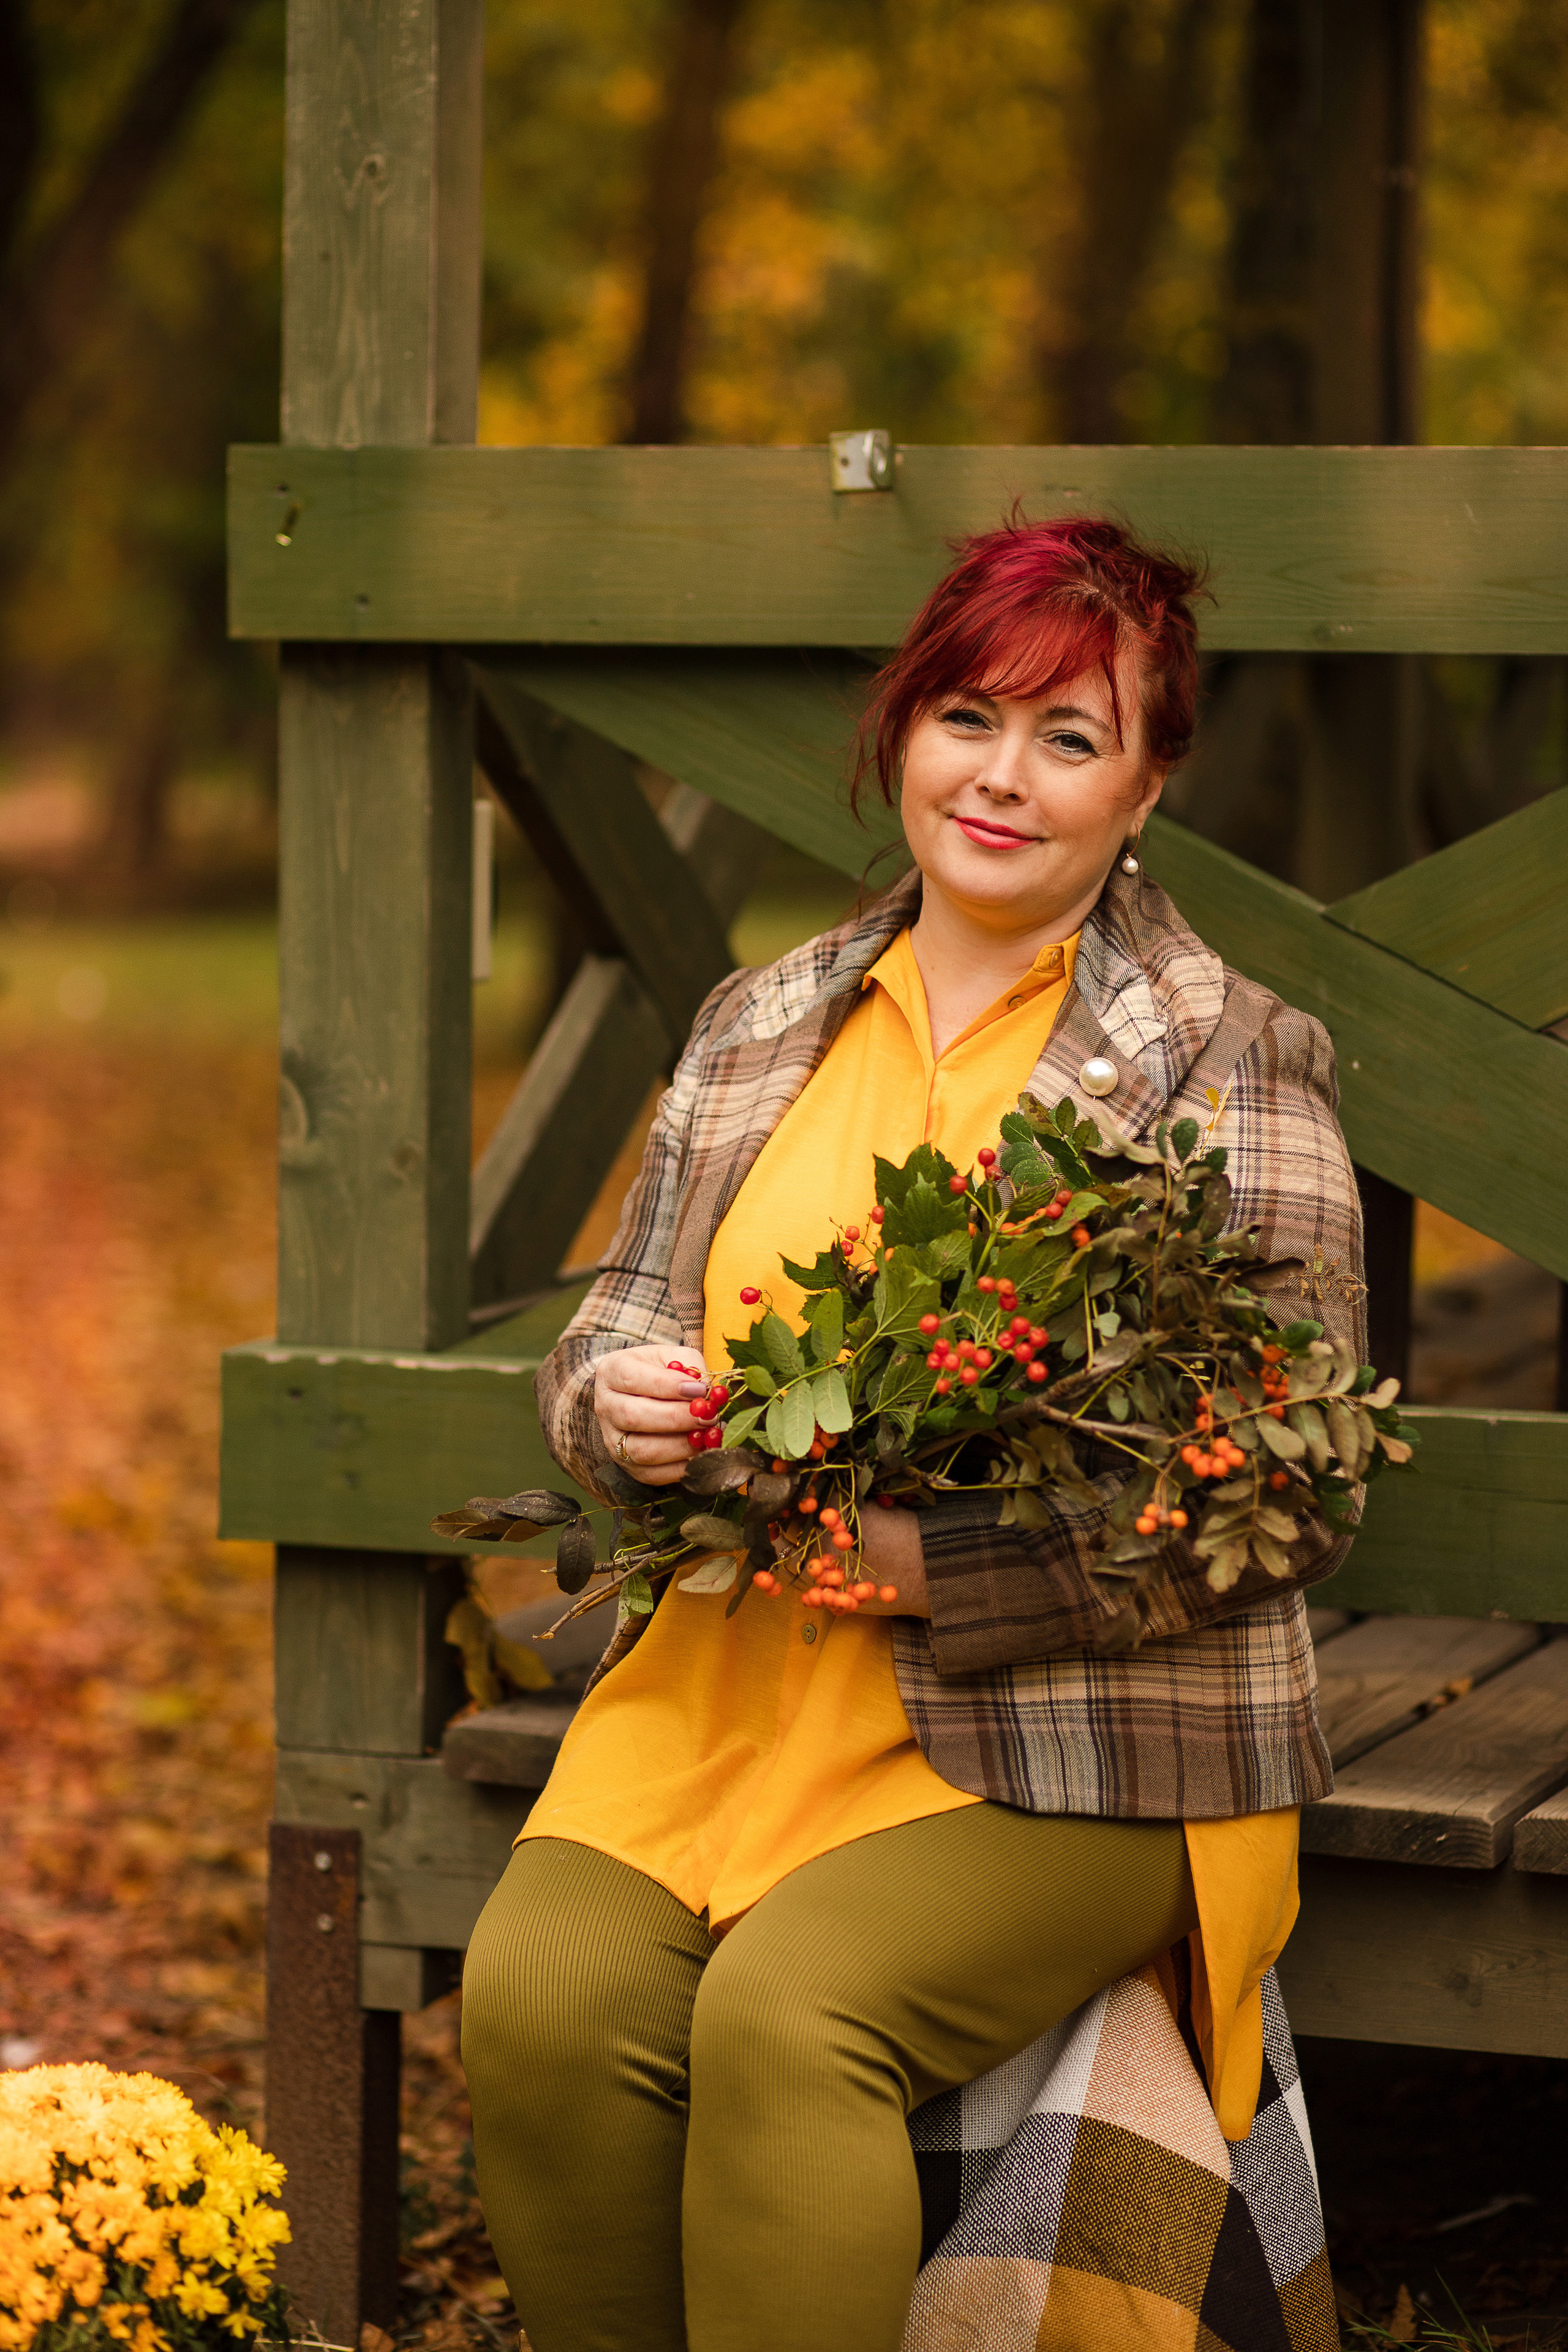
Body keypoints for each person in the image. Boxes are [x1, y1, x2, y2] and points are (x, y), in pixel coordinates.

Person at [461, 516, 1361, 2352]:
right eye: (969, 716)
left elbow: (1287, 1473)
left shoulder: (1222, 1053)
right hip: (732, 1681)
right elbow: (621, 1313)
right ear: (902, 731)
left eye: (1071, 739)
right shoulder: (762, 1019)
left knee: (793, 2014)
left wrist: (937, 1562)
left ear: (1148, 785)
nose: (1003, 779)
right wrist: (609, 1401)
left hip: (1071, 1727)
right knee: (538, 1994)